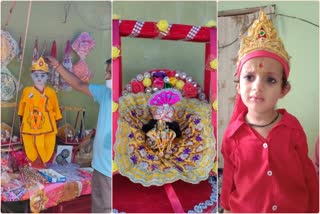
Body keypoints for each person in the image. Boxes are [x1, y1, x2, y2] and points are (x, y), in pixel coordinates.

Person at [220, 10, 319, 213]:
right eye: (249, 77)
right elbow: (229, 178)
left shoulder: (292, 128)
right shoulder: (232, 135)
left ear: (284, 90)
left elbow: (308, 172)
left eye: (270, 80)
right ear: (238, 86)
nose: (257, 87)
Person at [45, 55, 112, 213]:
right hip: (98, 167)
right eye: (106, 72)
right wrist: (58, 66)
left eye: (109, 73)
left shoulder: (125, 100)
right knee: (98, 209)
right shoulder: (105, 93)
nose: (106, 76)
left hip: (111, 171)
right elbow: (79, 84)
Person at [18, 56, 62, 166]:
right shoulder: (27, 91)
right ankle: (33, 163)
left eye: (42, 75)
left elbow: (56, 109)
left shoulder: (51, 92)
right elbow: (21, 110)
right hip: (31, 125)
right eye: (36, 75)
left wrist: (56, 123)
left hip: (47, 126)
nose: (39, 78)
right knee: (31, 145)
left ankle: (44, 162)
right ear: (32, 76)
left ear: (47, 76)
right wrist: (23, 122)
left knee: (46, 144)